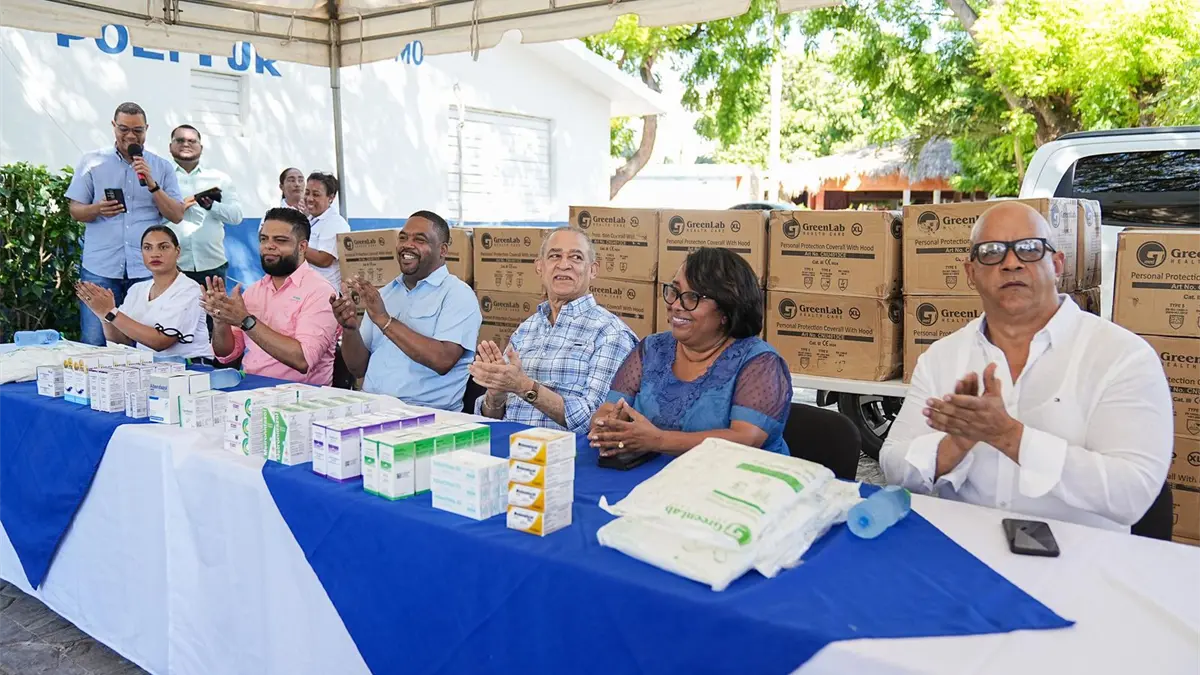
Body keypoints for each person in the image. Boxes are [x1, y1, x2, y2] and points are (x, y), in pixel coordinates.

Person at [880, 201, 1172, 531]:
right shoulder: (942, 357)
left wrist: (1009, 436)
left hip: (1081, 563)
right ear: (970, 272)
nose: (1011, 263)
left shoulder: (1122, 356)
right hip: (965, 552)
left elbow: (1133, 493)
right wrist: (955, 445)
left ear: (1057, 264)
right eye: (991, 252)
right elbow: (892, 464)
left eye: (1029, 249)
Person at [589, 248, 793, 457]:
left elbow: (745, 439)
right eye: (674, 292)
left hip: (739, 480)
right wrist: (606, 427)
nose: (676, 305)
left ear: (727, 309)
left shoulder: (760, 362)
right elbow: (609, 408)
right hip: (654, 476)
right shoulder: (652, 348)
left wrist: (657, 441)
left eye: (693, 297)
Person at [470, 227, 637, 433]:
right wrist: (496, 393)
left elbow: (596, 420)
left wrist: (524, 386)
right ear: (540, 267)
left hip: (566, 456)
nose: (564, 265)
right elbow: (491, 417)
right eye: (554, 256)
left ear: (593, 270)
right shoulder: (527, 329)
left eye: (576, 257)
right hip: (509, 446)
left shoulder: (611, 334)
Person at [330, 211, 481, 411]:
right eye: (403, 237)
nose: (407, 244)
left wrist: (385, 320)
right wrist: (350, 329)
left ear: (442, 250)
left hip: (426, 415)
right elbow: (358, 369)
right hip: (370, 408)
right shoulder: (384, 294)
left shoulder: (458, 295)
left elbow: (443, 360)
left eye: (420, 239)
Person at [66, 102, 186, 345]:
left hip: (146, 271)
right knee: (95, 343)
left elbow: (176, 214)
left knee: (142, 345)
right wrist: (97, 209)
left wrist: (152, 184)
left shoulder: (161, 167)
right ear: (113, 127)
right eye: (124, 129)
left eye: (138, 130)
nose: (131, 136)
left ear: (147, 129)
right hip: (100, 267)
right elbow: (75, 210)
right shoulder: (91, 162)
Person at [201, 208, 339, 385]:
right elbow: (225, 355)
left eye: (280, 240)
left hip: (301, 401)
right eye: (263, 239)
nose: (269, 246)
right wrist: (221, 321)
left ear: (302, 247)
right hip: (250, 392)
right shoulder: (254, 291)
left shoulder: (320, 292)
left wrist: (245, 320)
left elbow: (302, 360)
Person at [74, 225, 212, 359]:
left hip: (191, 370)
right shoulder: (137, 290)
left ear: (177, 251)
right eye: (147, 248)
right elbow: (122, 342)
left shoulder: (189, 289)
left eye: (163, 247)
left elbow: (160, 342)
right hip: (150, 369)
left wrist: (111, 312)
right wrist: (103, 316)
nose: (155, 254)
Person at [167, 124, 244, 286]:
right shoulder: (160, 178)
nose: (186, 144)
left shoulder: (219, 178)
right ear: (170, 146)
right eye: (179, 140)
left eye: (191, 141)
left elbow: (236, 216)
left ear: (201, 148)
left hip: (212, 265)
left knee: (214, 312)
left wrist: (211, 206)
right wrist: (177, 208)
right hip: (173, 266)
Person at [304, 171, 350, 291]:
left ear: (331, 197)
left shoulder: (335, 223)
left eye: (316, 194)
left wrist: (294, 247)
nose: (309, 198)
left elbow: (324, 259)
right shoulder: (309, 220)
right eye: (307, 192)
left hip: (324, 292)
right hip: (306, 290)